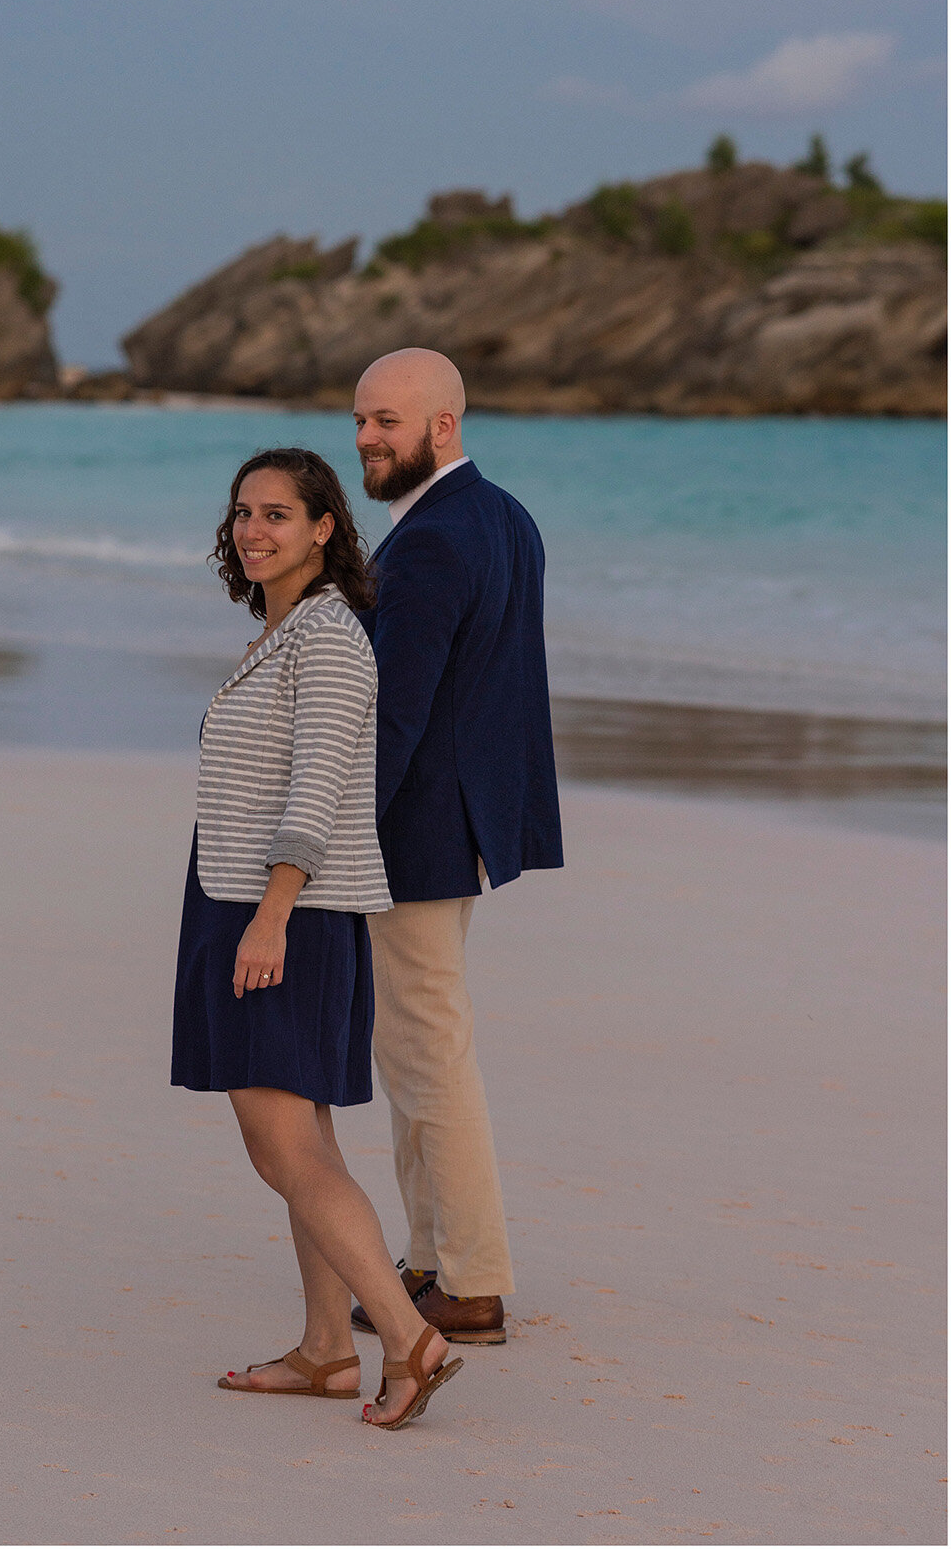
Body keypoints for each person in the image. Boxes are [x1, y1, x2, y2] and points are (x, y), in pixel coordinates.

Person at [173, 447, 463, 1429]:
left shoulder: (329, 637)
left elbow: (320, 784)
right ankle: (325, 1349)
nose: (254, 529)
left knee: (281, 1144)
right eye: (243, 511)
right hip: (244, 898)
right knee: (306, 1137)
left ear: (324, 527)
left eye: (277, 515)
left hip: (278, 908)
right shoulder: (283, 630)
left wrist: (269, 913)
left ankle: (404, 1337)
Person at [345, 347, 563, 1348]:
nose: (363, 438)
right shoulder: (504, 516)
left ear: (442, 424)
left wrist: (332, 836)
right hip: (466, 817)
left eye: (386, 420)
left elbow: (394, 711)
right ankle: (428, 1255)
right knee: (412, 1040)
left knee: (427, 1047)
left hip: (417, 826)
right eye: (357, 420)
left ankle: (470, 1280)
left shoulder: (430, 540)